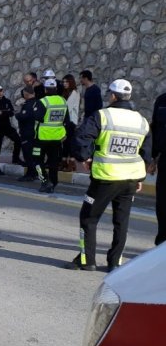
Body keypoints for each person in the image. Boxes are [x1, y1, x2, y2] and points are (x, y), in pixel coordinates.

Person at [68, 79, 150, 271]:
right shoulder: (141, 120)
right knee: (121, 222)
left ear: (113, 96)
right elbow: (146, 151)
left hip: (106, 177)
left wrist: (84, 158)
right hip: (130, 180)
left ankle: (87, 260)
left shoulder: (103, 116)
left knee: (88, 218)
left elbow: (81, 137)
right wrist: (139, 177)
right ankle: (115, 263)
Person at [33, 78, 70, 193]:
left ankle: (45, 181)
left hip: (42, 137)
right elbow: (67, 120)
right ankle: (53, 182)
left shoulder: (43, 102)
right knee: (54, 162)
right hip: (57, 138)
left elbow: (37, 117)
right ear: (55, 88)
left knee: (37, 160)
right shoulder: (63, 101)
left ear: (45, 89)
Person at [0, 84, 24, 175]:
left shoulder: (7, 101)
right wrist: (3, 112)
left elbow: (11, 112)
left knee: (18, 140)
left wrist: (2, 112)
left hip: (6, 126)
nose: (0, 93)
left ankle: (15, 159)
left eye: (0, 91)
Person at [149, 91, 166, 246]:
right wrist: (153, 158)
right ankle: (162, 244)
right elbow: (155, 129)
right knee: (162, 204)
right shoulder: (162, 100)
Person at [15, 86, 38, 181]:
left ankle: (30, 174)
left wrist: (17, 114)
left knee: (28, 154)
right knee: (34, 155)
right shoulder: (38, 102)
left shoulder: (28, 104)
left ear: (26, 94)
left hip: (27, 132)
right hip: (36, 132)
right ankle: (34, 173)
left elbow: (24, 116)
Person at [60, 74, 81, 172]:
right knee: (65, 143)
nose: (64, 84)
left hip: (71, 121)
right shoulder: (65, 93)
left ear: (71, 82)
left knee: (69, 143)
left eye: (66, 82)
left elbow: (67, 106)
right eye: (63, 82)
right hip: (64, 121)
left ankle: (71, 163)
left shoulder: (74, 93)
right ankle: (64, 162)